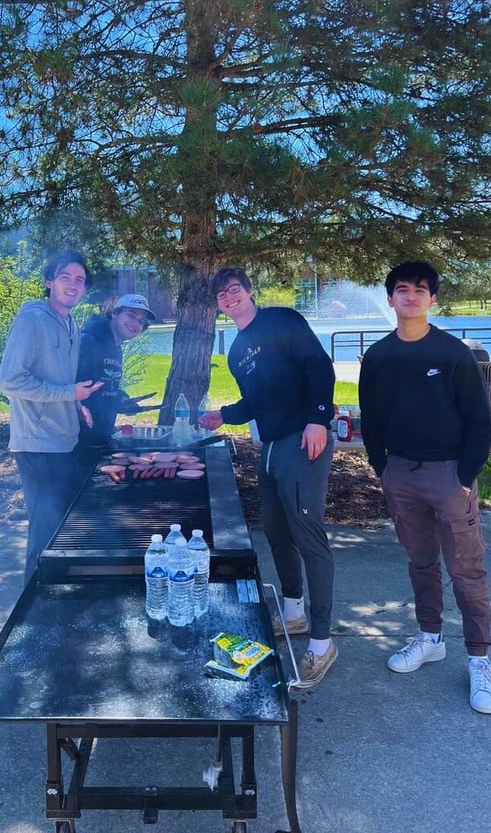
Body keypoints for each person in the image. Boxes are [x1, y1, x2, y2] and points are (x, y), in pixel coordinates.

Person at [358, 260, 491, 714]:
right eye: (403, 289)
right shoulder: (378, 357)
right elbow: (372, 420)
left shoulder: (453, 354)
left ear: (432, 299)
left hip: (448, 475)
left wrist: (463, 478)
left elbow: (480, 422)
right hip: (401, 473)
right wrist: (384, 469)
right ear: (391, 298)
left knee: (466, 570)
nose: (412, 296)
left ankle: (479, 658)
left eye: (421, 290)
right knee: (421, 562)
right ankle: (429, 638)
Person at [200, 267, 338, 689]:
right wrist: (223, 416)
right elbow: (256, 402)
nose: (229, 297)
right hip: (273, 445)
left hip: (303, 438)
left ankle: (321, 644)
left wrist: (318, 418)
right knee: (277, 532)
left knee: (307, 535)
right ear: (218, 304)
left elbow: (318, 366)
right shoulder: (237, 348)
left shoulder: (282, 320)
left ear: (249, 291)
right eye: (221, 294)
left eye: (234, 289)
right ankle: (293, 615)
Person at [0, 249, 103, 582]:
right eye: (65, 277)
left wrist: (74, 403)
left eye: (80, 280)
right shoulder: (32, 319)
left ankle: (58, 598)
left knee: (61, 530)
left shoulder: (71, 323)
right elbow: (9, 381)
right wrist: (68, 393)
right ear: (49, 282)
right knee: (44, 536)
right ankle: (30, 616)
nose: (73, 285)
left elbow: (58, 380)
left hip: (64, 441)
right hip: (37, 445)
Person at [76, 293, 159, 459]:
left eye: (141, 321)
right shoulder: (88, 341)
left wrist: (122, 400)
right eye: (131, 315)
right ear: (114, 313)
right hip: (78, 440)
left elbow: (106, 385)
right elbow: (70, 387)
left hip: (102, 435)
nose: (136, 323)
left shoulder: (116, 348)